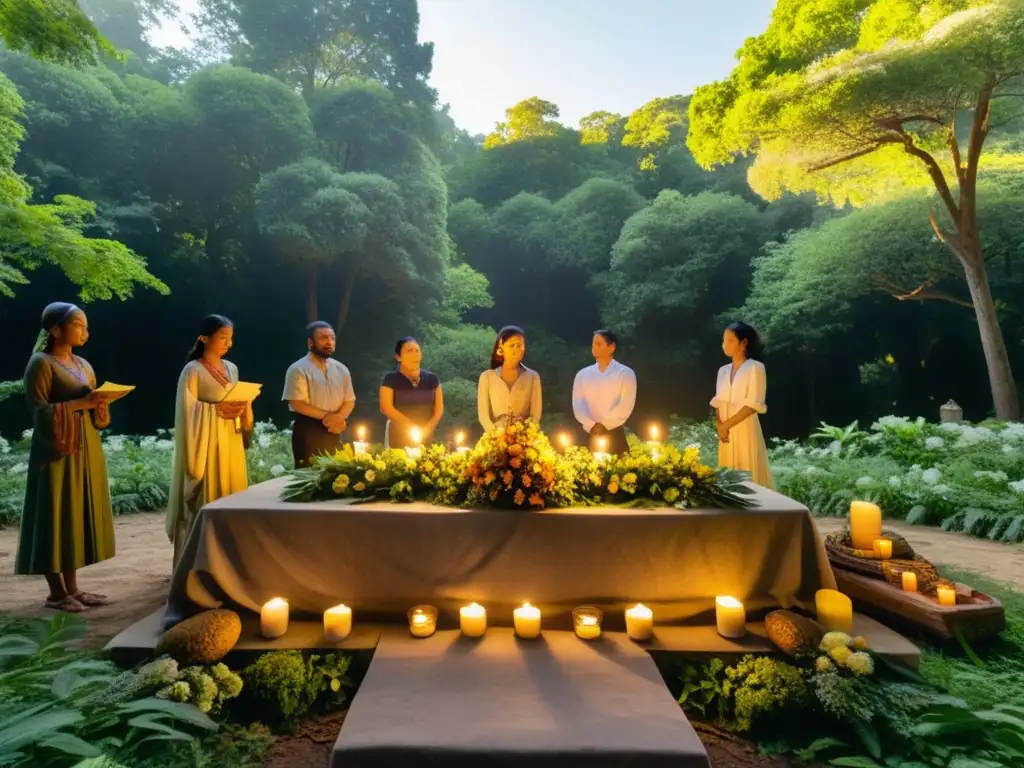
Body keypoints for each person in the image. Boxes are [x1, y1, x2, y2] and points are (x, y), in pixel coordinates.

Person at [15, 302, 115, 612]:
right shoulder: (40, 363)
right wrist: (80, 403)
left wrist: (100, 404)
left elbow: (95, 412)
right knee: (54, 514)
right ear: (56, 329)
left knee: (74, 514)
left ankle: (73, 588)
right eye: (78, 324)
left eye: (86, 325)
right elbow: (40, 412)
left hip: (85, 448)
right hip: (56, 450)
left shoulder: (84, 364)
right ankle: (56, 593)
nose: (85, 330)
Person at [167, 315, 252, 567]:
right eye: (223, 337)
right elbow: (187, 410)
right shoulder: (193, 370)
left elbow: (237, 397)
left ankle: (230, 563)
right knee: (206, 498)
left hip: (230, 439)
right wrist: (215, 410)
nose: (228, 343)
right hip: (204, 445)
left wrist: (244, 406)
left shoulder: (232, 368)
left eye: (230, 338)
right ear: (204, 338)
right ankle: (197, 566)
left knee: (231, 495)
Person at [282, 321, 356, 467]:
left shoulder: (341, 369)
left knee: (340, 478)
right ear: (310, 342)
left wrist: (339, 418)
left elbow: (349, 400)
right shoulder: (297, 369)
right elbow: (297, 403)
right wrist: (328, 417)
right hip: (309, 429)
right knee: (310, 478)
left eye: (332, 338)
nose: (329, 342)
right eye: (323, 338)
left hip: (337, 428)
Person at [711, 321, 773, 488]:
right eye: (724, 340)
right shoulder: (723, 370)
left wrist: (727, 425)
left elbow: (753, 404)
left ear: (744, 343)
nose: (725, 345)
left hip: (745, 428)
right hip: (725, 433)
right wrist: (720, 425)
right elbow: (719, 400)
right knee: (728, 475)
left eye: (730, 340)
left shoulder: (755, 368)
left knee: (747, 473)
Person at [572, 330, 636, 455]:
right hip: (588, 433)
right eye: (593, 344)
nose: (594, 348)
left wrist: (605, 425)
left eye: (598, 344)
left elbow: (625, 405)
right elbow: (578, 405)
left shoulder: (625, 373)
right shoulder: (582, 375)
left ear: (611, 347)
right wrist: (591, 425)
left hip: (614, 432)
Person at [379, 337, 443, 449]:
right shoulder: (391, 379)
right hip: (399, 440)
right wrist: (411, 426)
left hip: (426, 438)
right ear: (398, 357)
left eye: (417, 350)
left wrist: (427, 429)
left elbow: (439, 410)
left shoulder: (432, 379)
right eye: (409, 351)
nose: (415, 354)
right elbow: (386, 407)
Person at [477, 325, 542, 432]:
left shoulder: (533, 377)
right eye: (512, 345)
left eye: (519, 345)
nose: (516, 350)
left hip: (524, 437)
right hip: (495, 437)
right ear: (501, 346)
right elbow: (483, 415)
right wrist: (495, 435)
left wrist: (526, 435)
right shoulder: (487, 377)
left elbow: (535, 416)